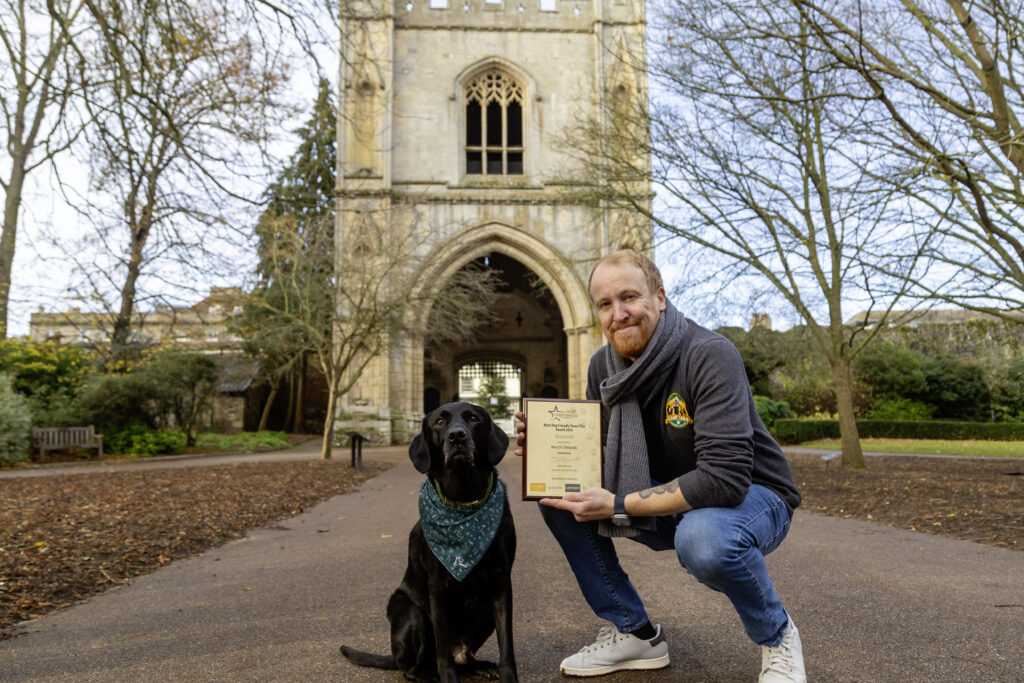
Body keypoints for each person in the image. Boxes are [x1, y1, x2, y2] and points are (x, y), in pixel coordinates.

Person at [514, 250, 806, 681]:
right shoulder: (603, 366)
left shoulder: (708, 353)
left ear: (661, 297)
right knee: (559, 492)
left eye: (629, 297)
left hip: (754, 497)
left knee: (704, 540)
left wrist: (619, 503)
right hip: (676, 495)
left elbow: (724, 480)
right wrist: (549, 447)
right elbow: (605, 452)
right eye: (605, 304)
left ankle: (778, 637)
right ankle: (636, 634)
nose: (619, 314)